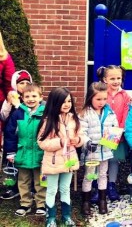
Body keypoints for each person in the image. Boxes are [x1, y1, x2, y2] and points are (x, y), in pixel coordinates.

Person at [38, 87, 84, 227]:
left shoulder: (74, 119)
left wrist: (78, 141)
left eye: (69, 101)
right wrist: (60, 142)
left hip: (68, 161)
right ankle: (50, 218)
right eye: (63, 102)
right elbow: (42, 142)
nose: (67, 104)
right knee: (52, 189)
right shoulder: (48, 120)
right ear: (54, 103)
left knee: (65, 188)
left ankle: (66, 216)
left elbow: (81, 135)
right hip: (53, 162)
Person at [4, 83, 46, 216]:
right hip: (22, 153)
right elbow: (10, 134)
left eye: (34, 96)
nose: (30, 99)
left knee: (41, 180)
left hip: (41, 153)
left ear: (40, 97)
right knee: (23, 180)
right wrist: (11, 152)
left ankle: (41, 203)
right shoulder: (18, 114)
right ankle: (25, 203)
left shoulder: (45, 114)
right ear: (22, 98)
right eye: (27, 96)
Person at [80, 82, 118, 215]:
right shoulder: (85, 113)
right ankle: (86, 201)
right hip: (91, 152)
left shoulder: (110, 112)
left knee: (103, 175)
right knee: (89, 176)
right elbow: (81, 132)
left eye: (104, 99)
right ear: (91, 98)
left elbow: (115, 127)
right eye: (98, 99)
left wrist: (113, 138)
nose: (102, 102)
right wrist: (87, 142)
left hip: (105, 151)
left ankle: (102, 200)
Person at [97, 65, 132, 201]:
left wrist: (120, 130)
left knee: (113, 160)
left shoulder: (125, 96)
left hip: (117, 134)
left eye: (118, 78)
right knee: (100, 159)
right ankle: (99, 185)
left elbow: (126, 114)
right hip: (101, 133)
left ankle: (111, 184)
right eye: (112, 78)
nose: (116, 81)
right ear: (105, 79)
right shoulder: (101, 94)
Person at [0, 70, 32, 200]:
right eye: (21, 83)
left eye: (27, 82)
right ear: (15, 85)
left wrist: (19, 105)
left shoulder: (31, 98)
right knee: (11, 162)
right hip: (12, 137)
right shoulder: (11, 97)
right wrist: (8, 103)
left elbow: (30, 115)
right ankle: (12, 188)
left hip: (26, 137)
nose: (24, 85)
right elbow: (3, 116)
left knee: (26, 163)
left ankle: (29, 188)